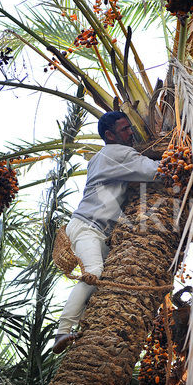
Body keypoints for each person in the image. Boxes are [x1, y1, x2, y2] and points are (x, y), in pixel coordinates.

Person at [53, 111, 160, 354]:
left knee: (104, 280)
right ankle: (62, 331)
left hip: (95, 230)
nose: (131, 132)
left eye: (129, 127)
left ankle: (83, 326)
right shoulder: (116, 153)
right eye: (124, 129)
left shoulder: (101, 157)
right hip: (88, 227)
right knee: (94, 273)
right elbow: (154, 171)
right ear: (110, 135)